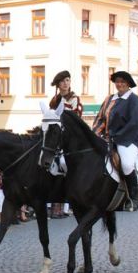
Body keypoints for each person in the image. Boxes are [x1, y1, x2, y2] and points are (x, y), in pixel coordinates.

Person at [93, 70, 138, 211]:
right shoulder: (109, 99)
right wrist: (95, 135)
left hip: (129, 139)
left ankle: (133, 198)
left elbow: (133, 123)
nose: (119, 84)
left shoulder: (134, 100)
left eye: (122, 81)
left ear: (128, 84)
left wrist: (115, 138)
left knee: (127, 164)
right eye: (117, 82)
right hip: (109, 139)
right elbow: (100, 119)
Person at [48, 70, 82, 218]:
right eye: (62, 81)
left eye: (67, 80)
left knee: (66, 163)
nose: (65, 83)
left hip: (72, 137)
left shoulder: (74, 98)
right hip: (57, 138)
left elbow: (76, 118)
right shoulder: (54, 100)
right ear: (58, 84)